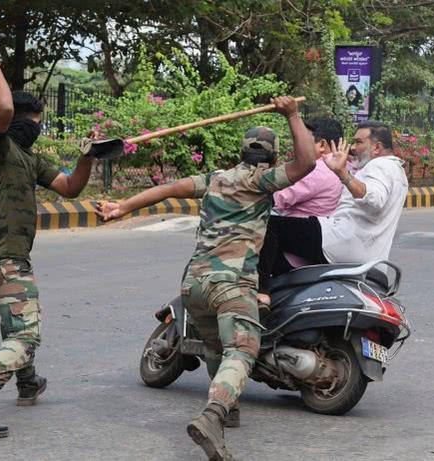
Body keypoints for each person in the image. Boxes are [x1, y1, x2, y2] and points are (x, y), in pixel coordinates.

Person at [97, 96, 342, 460]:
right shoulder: (263, 182)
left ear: (242, 152)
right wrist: (292, 114)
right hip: (231, 285)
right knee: (242, 350)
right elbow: (307, 162)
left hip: (193, 285)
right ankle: (213, 415)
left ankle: (229, 406)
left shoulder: (215, 179)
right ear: (272, 158)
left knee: (215, 347)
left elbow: (168, 189)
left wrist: (122, 207)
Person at [0, 47, 95, 438]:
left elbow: (71, 188)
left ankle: (28, 382)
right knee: (25, 334)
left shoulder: (30, 159)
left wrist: (88, 157)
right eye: (32, 120)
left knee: (14, 316)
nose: (33, 127)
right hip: (1, 258)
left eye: (37, 122)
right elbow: (4, 113)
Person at [259, 120, 408, 285]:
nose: (353, 147)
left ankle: (262, 292)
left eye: (359, 142)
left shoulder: (379, 166)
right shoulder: (395, 171)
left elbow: (374, 199)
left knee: (268, 226)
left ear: (377, 147)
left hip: (343, 241)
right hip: (361, 248)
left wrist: (342, 173)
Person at [258, 118, 343, 292]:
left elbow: (277, 197)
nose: (296, 146)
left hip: (295, 255)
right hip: (317, 245)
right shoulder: (341, 167)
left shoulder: (316, 169)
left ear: (322, 145)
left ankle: (261, 293)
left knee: (262, 229)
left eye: (302, 140)